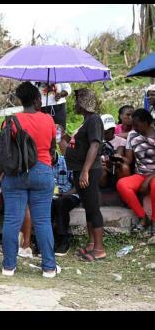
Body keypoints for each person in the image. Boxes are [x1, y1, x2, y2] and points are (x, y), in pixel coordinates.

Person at [0, 82, 59, 277]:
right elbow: (51, 149)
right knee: (43, 221)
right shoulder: (48, 120)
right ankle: (49, 268)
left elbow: (2, 153)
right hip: (42, 171)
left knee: (12, 220)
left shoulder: (10, 121)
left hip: (15, 174)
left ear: (21, 101)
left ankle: (8, 266)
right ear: (37, 100)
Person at [65, 88, 106, 262]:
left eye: (77, 101)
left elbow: (94, 146)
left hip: (88, 170)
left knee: (93, 208)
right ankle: (91, 243)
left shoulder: (94, 120)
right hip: (80, 170)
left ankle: (99, 248)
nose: (74, 105)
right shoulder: (86, 122)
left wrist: (85, 171)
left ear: (83, 103)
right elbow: (80, 145)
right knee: (89, 207)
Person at [116, 109, 155, 244]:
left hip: (154, 174)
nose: (134, 128)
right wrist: (119, 159)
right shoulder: (133, 135)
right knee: (122, 184)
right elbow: (129, 160)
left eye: (137, 125)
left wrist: (148, 180)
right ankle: (143, 217)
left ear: (146, 122)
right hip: (140, 174)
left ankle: (154, 222)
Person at [51, 152, 80, 256]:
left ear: (54, 152)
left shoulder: (67, 162)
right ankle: (47, 242)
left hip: (69, 195)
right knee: (47, 205)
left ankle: (63, 240)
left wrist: (64, 194)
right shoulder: (42, 162)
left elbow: (77, 185)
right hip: (50, 196)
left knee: (61, 203)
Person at [99, 114, 130, 189]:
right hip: (102, 166)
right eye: (107, 129)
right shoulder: (97, 141)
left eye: (111, 128)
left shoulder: (121, 141)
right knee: (101, 170)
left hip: (115, 166)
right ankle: (102, 191)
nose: (110, 131)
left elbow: (121, 156)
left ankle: (122, 188)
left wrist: (118, 157)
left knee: (124, 168)